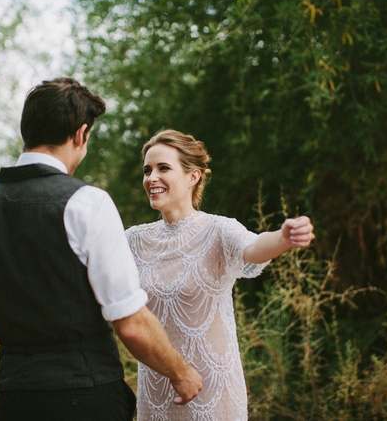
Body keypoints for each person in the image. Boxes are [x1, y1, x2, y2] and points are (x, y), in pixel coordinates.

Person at [0, 78, 201, 421]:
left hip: (14, 401)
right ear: (80, 135)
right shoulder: (87, 203)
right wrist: (181, 373)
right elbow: (131, 325)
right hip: (86, 398)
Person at [125, 129, 315, 421]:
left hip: (214, 392)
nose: (151, 178)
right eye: (147, 170)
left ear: (193, 176)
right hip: (156, 394)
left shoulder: (218, 230)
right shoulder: (133, 241)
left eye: (163, 168)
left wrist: (284, 237)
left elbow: (253, 248)